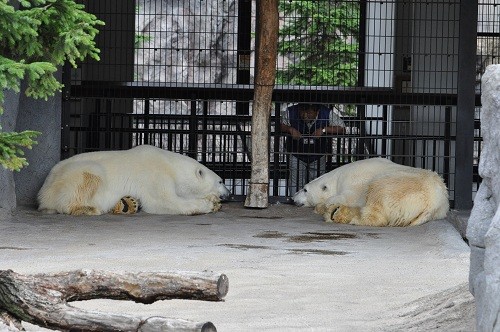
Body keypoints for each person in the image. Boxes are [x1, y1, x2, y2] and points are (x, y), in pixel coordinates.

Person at [280, 103, 345, 195]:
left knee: (318, 182)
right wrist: (290, 129)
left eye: (309, 113)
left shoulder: (326, 112)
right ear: (299, 109)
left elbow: (342, 128)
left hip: (318, 154)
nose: (305, 115)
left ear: (317, 111)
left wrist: (323, 130)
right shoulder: (291, 111)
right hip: (296, 153)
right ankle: (295, 202)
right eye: (303, 112)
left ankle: (314, 203)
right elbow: (280, 125)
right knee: (296, 182)